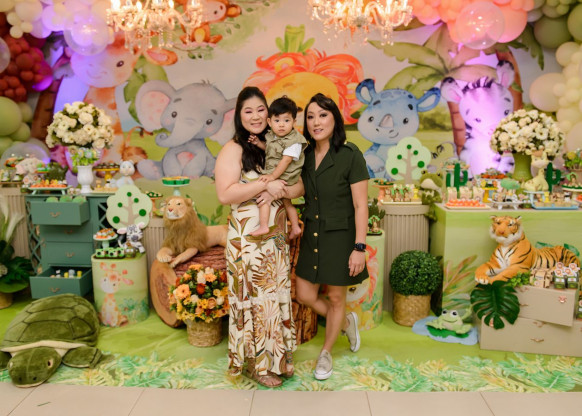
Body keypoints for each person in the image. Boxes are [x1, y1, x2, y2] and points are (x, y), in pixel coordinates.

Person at [215, 86, 304, 388]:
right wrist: (266, 184)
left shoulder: (276, 143)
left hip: (275, 239)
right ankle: (257, 365)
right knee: (254, 301)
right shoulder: (233, 149)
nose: (255, 116)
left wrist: (281, 189)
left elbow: (299, 185)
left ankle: (279, 359)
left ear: (269, 112)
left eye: (260, 109)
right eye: (248, 111)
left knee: (274, 298)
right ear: (239, 116)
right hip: (247, 241)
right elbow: (225, 194)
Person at [294, 93, 369, 381]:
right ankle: (346, 323)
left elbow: (361, 205)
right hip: (312, 234)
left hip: (341, 236)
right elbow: (298, 189)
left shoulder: (350, 156)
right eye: (310, 117)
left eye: (323, 115)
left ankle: (326, 353)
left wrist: (359, 247)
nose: (316, 122)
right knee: (305, 294)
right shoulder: (304, 156)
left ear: (335, 119)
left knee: (336, 297)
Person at [248, 96, 307, 240]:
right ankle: (296, 227)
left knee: (263, 194)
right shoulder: (272, 136)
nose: (281, 125)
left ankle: (263, 225)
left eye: (286, 121)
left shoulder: (294, 141)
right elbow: (270, 149)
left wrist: (272, 177)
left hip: (286, 175)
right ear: (269, 122)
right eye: (277, 120)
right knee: (287, 202)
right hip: (279, 173)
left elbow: (286, 161)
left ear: (294, 122)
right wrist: (258, 143)